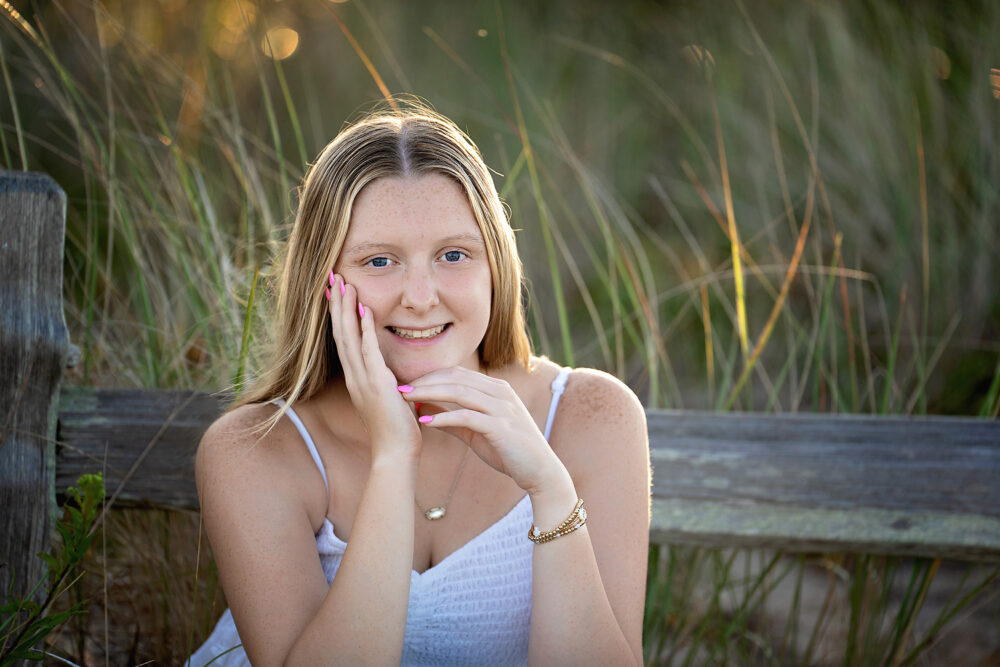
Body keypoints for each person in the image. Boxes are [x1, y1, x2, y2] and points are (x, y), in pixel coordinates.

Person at [188, 102, 650, 666]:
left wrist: (551, 494)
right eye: (380, 261)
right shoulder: (256, 450)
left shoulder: (592, 416)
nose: (422, 296)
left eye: (454, 255)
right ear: (323, 280)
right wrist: (392, 455)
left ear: (495, 266)